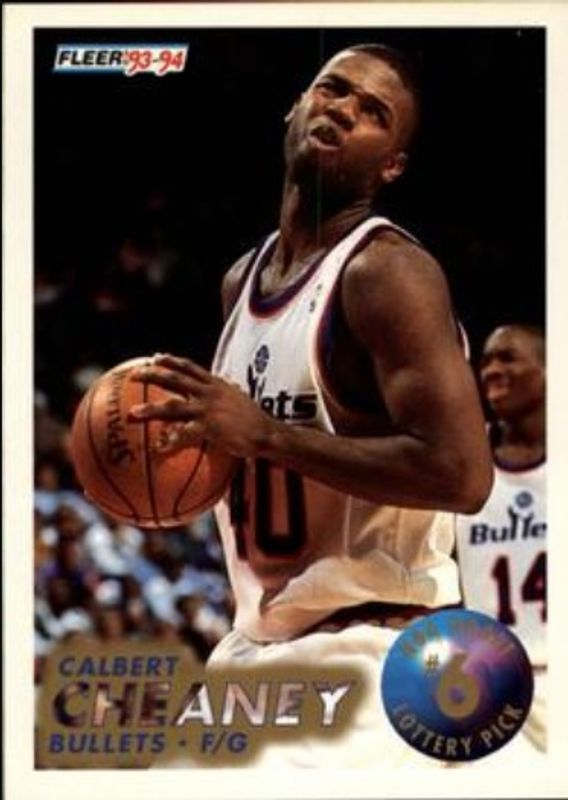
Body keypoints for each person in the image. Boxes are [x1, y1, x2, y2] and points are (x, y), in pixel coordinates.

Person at [129, 43, 492, 766]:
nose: (344, 110)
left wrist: (266, 436)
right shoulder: (241, 281)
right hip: (257, 649)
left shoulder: (388, 273)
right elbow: (259, 462)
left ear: (392, 166)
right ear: (295, 108)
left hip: (371, 649)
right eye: (333, 89)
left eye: (373, 112)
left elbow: (462, 476)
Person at [456, 324, 546, 754]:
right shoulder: (464, 462)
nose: (491, 369)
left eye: (508, 357)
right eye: (486, 360)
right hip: (491, 685)